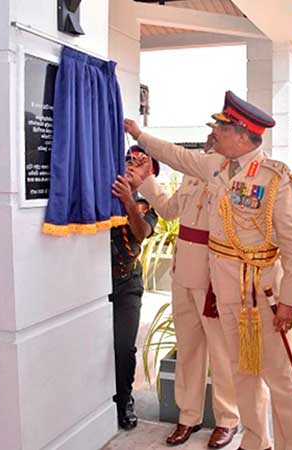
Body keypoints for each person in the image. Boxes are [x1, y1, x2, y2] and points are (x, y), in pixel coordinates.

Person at [125, 91, 292, 450]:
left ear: (242, 135)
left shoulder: (274, 178)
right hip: (227, 293)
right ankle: (255, 441)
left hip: (261, 294)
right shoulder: (217, 168)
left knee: (281, 379)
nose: (215, 133)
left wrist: (290, 301)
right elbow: (176, 157)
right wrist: (140, 135)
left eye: (223, 128)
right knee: (243, 373)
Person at [136, 128, 241, 448]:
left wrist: (140, 135)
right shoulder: (192, 173)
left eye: (218, 132)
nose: (211, 136)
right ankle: (189, 415)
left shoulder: (232, 174)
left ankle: (227, 419)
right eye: (212, 131)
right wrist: (146, 180)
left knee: (221, 352)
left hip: (213, 275)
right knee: (189, 348)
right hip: (183, 271)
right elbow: (170, 210)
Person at [109, 146, 159, 430]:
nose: (130, 164)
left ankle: (124, 400)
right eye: (127, 159)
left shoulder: (146, 204)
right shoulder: (104, 191)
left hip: (126, 282)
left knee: (123, 346)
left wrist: (128, 202)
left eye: (138, 163)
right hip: (94, 283)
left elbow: (141, 233)